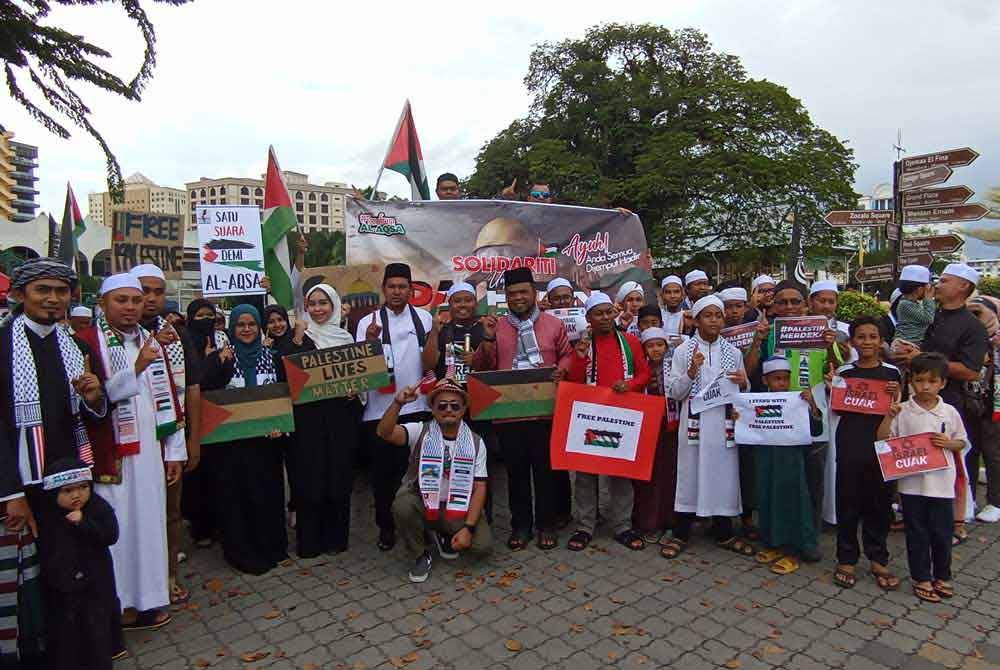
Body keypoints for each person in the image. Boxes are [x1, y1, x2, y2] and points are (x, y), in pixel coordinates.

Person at [0, 258, 106, 665]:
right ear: (19, 294)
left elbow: (93, 414)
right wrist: (10, 493)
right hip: (22, 483)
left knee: (71, 571)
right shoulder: (3, 345)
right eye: (43, 290)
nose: (53, 298)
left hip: (70, 479)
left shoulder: (76, 347)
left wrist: (96, 397)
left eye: (61, 291)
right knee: (29, 580)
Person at [76, 273, 186, 631]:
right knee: (118, 530)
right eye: (121, 300)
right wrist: (135, 368)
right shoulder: (87, 343)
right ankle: (118, 605)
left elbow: (168, 398)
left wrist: (174, 452)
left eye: (136, 301)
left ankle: (148, 600)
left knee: (149, 525)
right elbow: (88, 400)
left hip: (151, 456)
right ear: (104, 303)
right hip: (114, 457)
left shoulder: (150, 341)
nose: (130, 307)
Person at [475, 267, 573, 550]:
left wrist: (562, 370)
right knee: (516, 473)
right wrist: (489, 339)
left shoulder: (554, 325)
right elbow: (481, 367)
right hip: (508, 414)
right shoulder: (497, 326)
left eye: (523, 292)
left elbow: (567, 355)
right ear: (506, 296)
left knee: (545, 471)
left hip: (544, 411)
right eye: (512, 293)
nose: (518, 297)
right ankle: (521, 526)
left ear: (534, 294)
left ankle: (546, 525)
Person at [130, 264, 201, 606]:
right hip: (128, 444)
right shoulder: (111, 337)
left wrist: (193, 439)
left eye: (159, 291)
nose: (152, 298)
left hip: (169, 439)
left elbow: (193, 389)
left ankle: (168, 576)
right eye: (145, 291)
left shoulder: (177, 336)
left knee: (170, 511)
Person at [663, 295, 751, 559]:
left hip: (723, 425)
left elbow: (743, 391)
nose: (714, 320)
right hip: (694, 424)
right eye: (708, 315)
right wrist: (691, 371)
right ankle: (681, 533)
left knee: (724, 475)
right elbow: (675, 393)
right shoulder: (682, 351)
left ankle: (724, 532)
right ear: (697, 319)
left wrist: (745, 383)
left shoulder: (733, 352)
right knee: (690, 475)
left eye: (718, 315)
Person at [203, 305, 288, 574]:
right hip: (232, 446)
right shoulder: (221, 359)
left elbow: (283, 396)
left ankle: (270, 547)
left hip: (266, 443)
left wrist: (279, 424)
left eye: (252, 324)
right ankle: (242, 552)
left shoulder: (272, 357)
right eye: (240, 325)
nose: (247, 329)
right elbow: (207, 395)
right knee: (237, 497)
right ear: (231, 329)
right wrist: (217, 364)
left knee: (266, 494)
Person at [381, 380, 492, 582]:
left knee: (481, 546)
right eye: (441, 405)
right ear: (432, 409)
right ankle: (420, 554)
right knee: (402, 505)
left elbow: (480, 487)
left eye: (455, 405)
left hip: (457, 507)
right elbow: (384, 433)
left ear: (464, 410)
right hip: (423, 502)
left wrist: (468, 528)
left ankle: (444, 534)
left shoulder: (476, 442)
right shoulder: (419, 431)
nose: (448, 409)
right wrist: (398, 403)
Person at [356, 263, 434, 550]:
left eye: (403, 286)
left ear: (411, 290)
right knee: (383, 479)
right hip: (380, 411)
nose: (397, 292)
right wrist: (370, 342)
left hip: (419, 407)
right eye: (392, 286)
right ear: (384, 289)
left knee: (420, 474)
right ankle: (386, 529)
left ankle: (420, 526)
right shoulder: (368, 322)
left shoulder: (424, 319)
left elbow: (430, 363)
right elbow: (363, 369)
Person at [565, 292, 651, 551]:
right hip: (590, 415)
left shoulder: (630, 341)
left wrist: (630, 384)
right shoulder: (582, 344)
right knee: (585, 474)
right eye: (598, 313)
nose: (604, 318)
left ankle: (622, 525)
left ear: (614, 314)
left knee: (621, 474)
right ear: (588, 318)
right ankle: (584, 526)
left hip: (622, 415)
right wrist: (579, 357)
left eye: (608, 312)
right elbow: (575, 382)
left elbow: (645, 374)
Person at [878, 353, 967, 603]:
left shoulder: (949, 412)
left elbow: (962, 441)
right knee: (917, 533)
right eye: (919, 380)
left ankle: (943, 575)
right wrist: (888, 416)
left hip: (941, 485)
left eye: (932, 381)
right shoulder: (903, 411)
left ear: (943, 383)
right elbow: (883, 442)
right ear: (910, 382)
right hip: (912, 485)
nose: (925, 386)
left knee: (941, 533)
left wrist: (949, 443)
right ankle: (921, 577)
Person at [909, 263, 987, 545]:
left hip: (952, 404)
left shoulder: (973, 327)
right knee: (921, 456)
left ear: (963, 287)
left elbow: (971, 370)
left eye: (944, 280)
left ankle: (956, 522)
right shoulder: (935, 316)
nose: (937, 284)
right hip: (920, 402)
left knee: (953, 463)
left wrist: (927, 363)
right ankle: (917, 515)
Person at [288, 285, 360, 557]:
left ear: (334, 306)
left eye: (323, 303)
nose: (318, 309)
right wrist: (295, 338)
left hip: (339, 417)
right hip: (308, 420)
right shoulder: (300, 336)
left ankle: (336, 539)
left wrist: (355, 389)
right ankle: (310, 543)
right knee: (310, 477)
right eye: (313, 303)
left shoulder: (345, 338)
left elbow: (360, 378)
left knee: (338, 476)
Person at [830, 315, 902, 590]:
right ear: (852, 341)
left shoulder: (892, 374)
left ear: (882, 341)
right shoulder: (845, 374)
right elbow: (837, 408)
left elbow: (897, 408)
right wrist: (833, 386)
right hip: (850, 442)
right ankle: (846, 558)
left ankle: (878, 558)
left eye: (873, 336)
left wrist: (895, 396)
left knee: (879, 503)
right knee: (848, 501)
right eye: (861, 337)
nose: (868, 342)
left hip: (881, 445)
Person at [37, 458, 122, 670]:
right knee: (68, 641)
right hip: (64, 592)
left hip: (96, 588)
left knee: (97, 637)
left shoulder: (97, 507)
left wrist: (84, 523)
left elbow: (110, 535)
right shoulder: (47, 517)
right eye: (67, 491)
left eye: (82, 488)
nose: (76, 495)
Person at [751, 356, 823, 575]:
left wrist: (812, 404)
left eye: (785, 379)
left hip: (792, 461)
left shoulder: (798, 400)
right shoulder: (757, 401)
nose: (781, 383)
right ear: (765, 380)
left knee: (794, 501)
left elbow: (816, 429)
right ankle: (774, 543)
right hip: (767, 458)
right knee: (768, 498)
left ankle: (797, 549)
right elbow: (747, 425)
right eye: (776, 379)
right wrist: (739, 415)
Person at [180, 298, 231, 548]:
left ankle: (220, 523)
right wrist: (211, 361)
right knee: (195, 477)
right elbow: (193, 379)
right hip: (192, 418)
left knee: (218, 473)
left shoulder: (221, 339)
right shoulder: (183, 342)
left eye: (209, 316)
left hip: (218, 416)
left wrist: (220, 363)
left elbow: (225, 376)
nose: (206, 321)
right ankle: (200, 528)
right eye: (199, 317)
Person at [632, 327, 678, 544]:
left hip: (670, 426)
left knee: (668, 473)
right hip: (646, 427)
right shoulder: (639, 369)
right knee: (647, 476)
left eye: (660, 345)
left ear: (666, 347)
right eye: (650, 346)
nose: (656, 349)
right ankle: (647, 522)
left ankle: (669, 520)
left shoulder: (674, 367)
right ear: (644, 349)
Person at [423, 282, 486, 384]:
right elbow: (427, 366)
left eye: (468, 300)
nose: (463, 305)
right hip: (448, 394)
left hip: (479, 392)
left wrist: (476, 360)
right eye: (457, 301)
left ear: (476, 303)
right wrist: (434, 332)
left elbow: (495, 366)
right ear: (450, 305)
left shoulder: (484, 329)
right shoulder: (441, 330)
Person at [890, 265, 935, 353]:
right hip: (906, 344)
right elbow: (928, 319)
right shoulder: (905, 304)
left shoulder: (910, 303)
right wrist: (928, 298)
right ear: (919, 289)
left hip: (911, 343)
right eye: (926, 288)